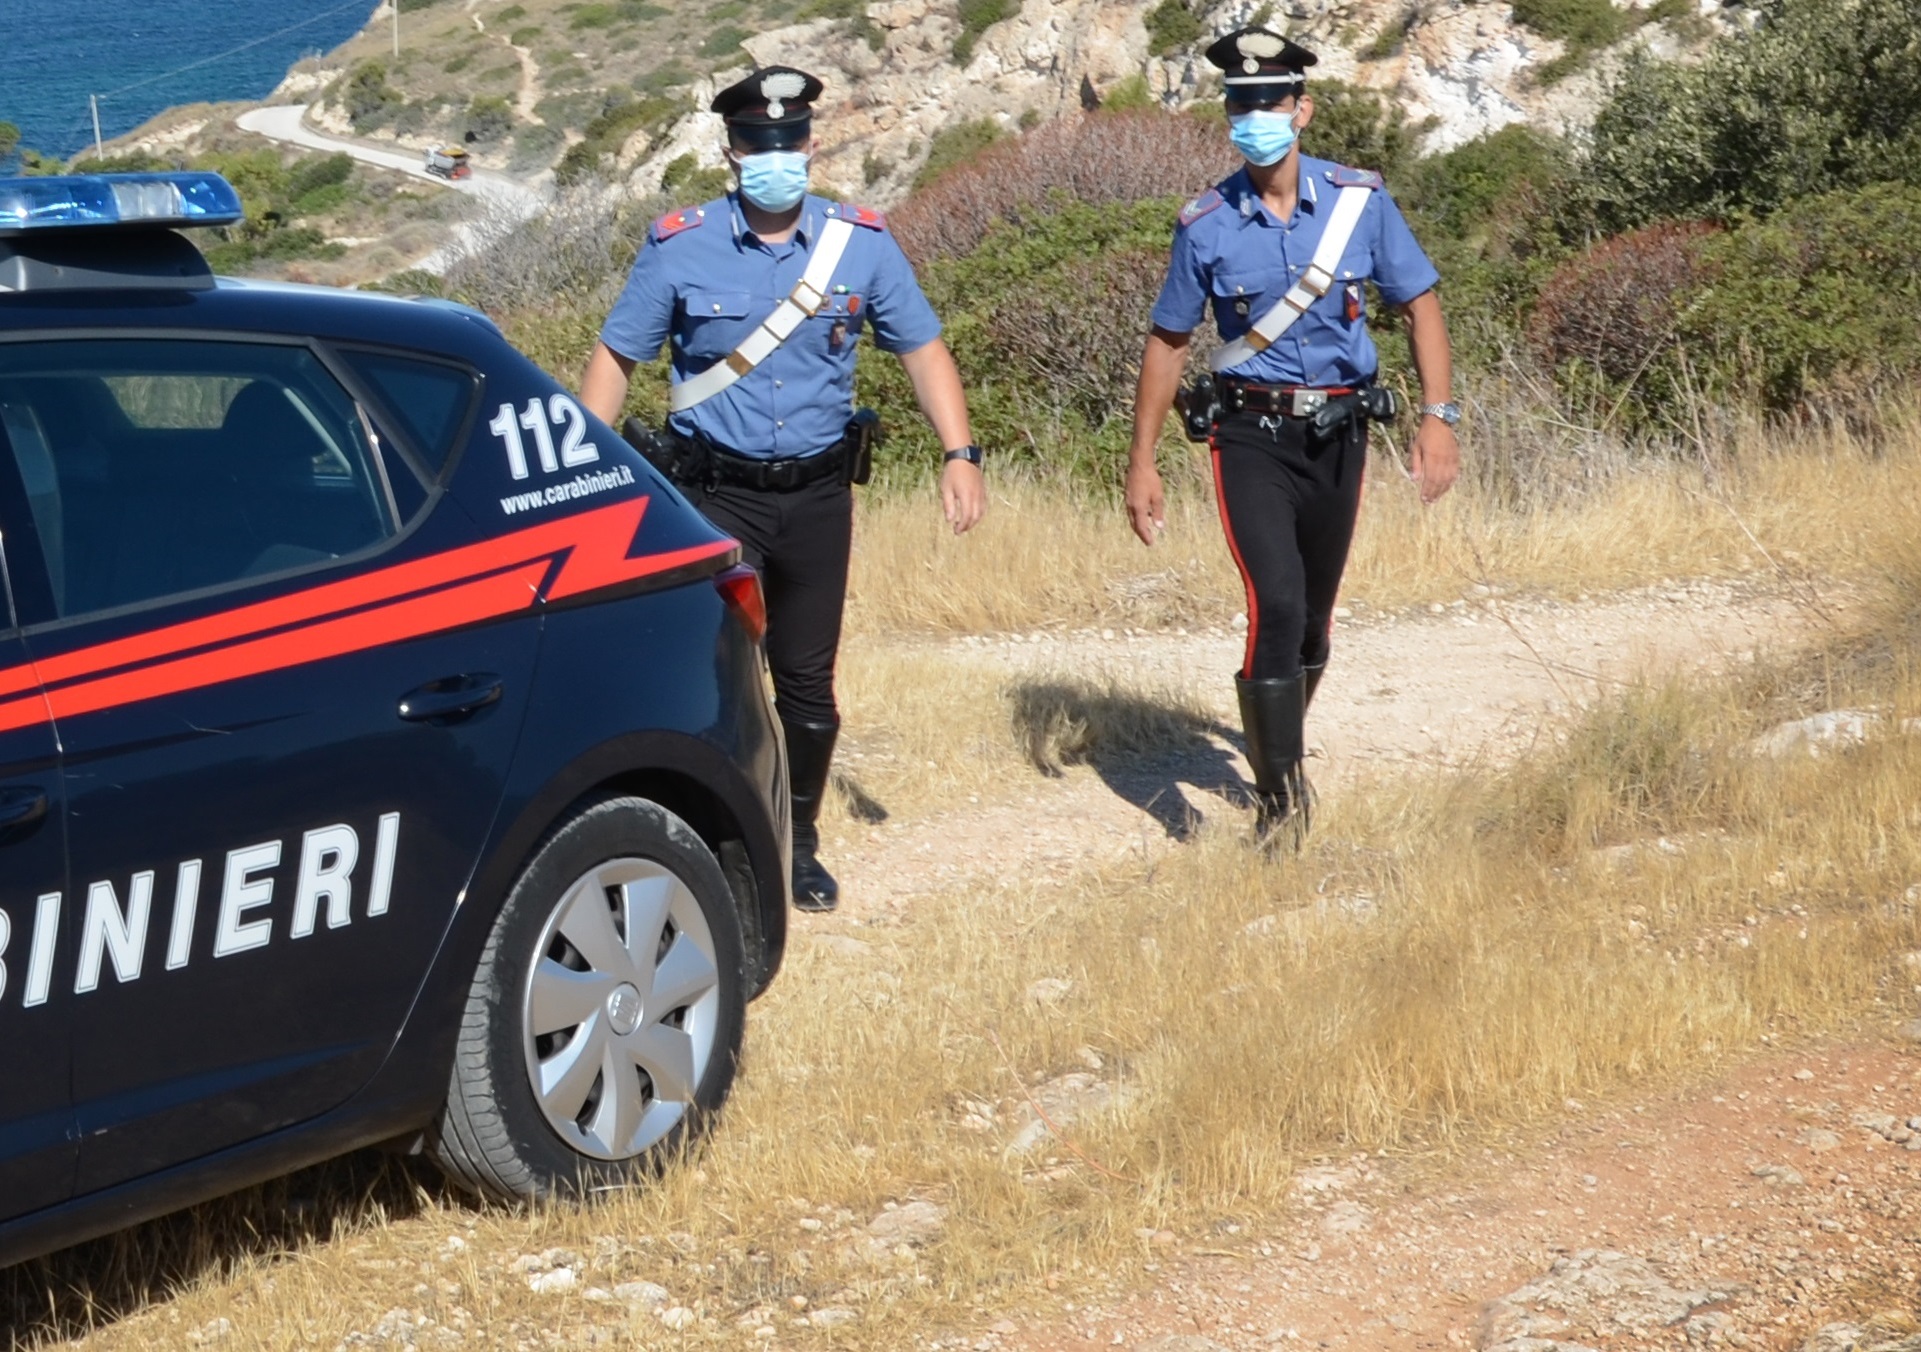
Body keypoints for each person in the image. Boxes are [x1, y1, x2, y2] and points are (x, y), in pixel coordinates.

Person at [580, 65, 987, 911]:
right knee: (719, 679)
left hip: (815, 499)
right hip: (713, 498)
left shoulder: (861, 242)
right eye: (760, 143)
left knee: (806, 683)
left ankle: (797, 842)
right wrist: (588, 470)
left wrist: (961, 453)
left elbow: (921, 349)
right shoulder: (679, 244)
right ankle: (718, 845)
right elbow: (617, 357)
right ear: (732, 151)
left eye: (790, 141)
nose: (778, 156)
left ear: (810, 144)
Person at [1124, 26, 1460, 847]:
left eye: (1268, 101)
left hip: (1341, 434)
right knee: (1273, 602)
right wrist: (1140, 461)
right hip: (1249, 435)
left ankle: (1277, 739)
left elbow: (1419, 305)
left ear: (1301, 109)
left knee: (1312, 619)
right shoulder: (1204, 224)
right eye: (1239, 104)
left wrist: (1436, 417)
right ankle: (1281, 801)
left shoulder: (1358, 201)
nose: (1253, 116)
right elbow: (1168, 342)